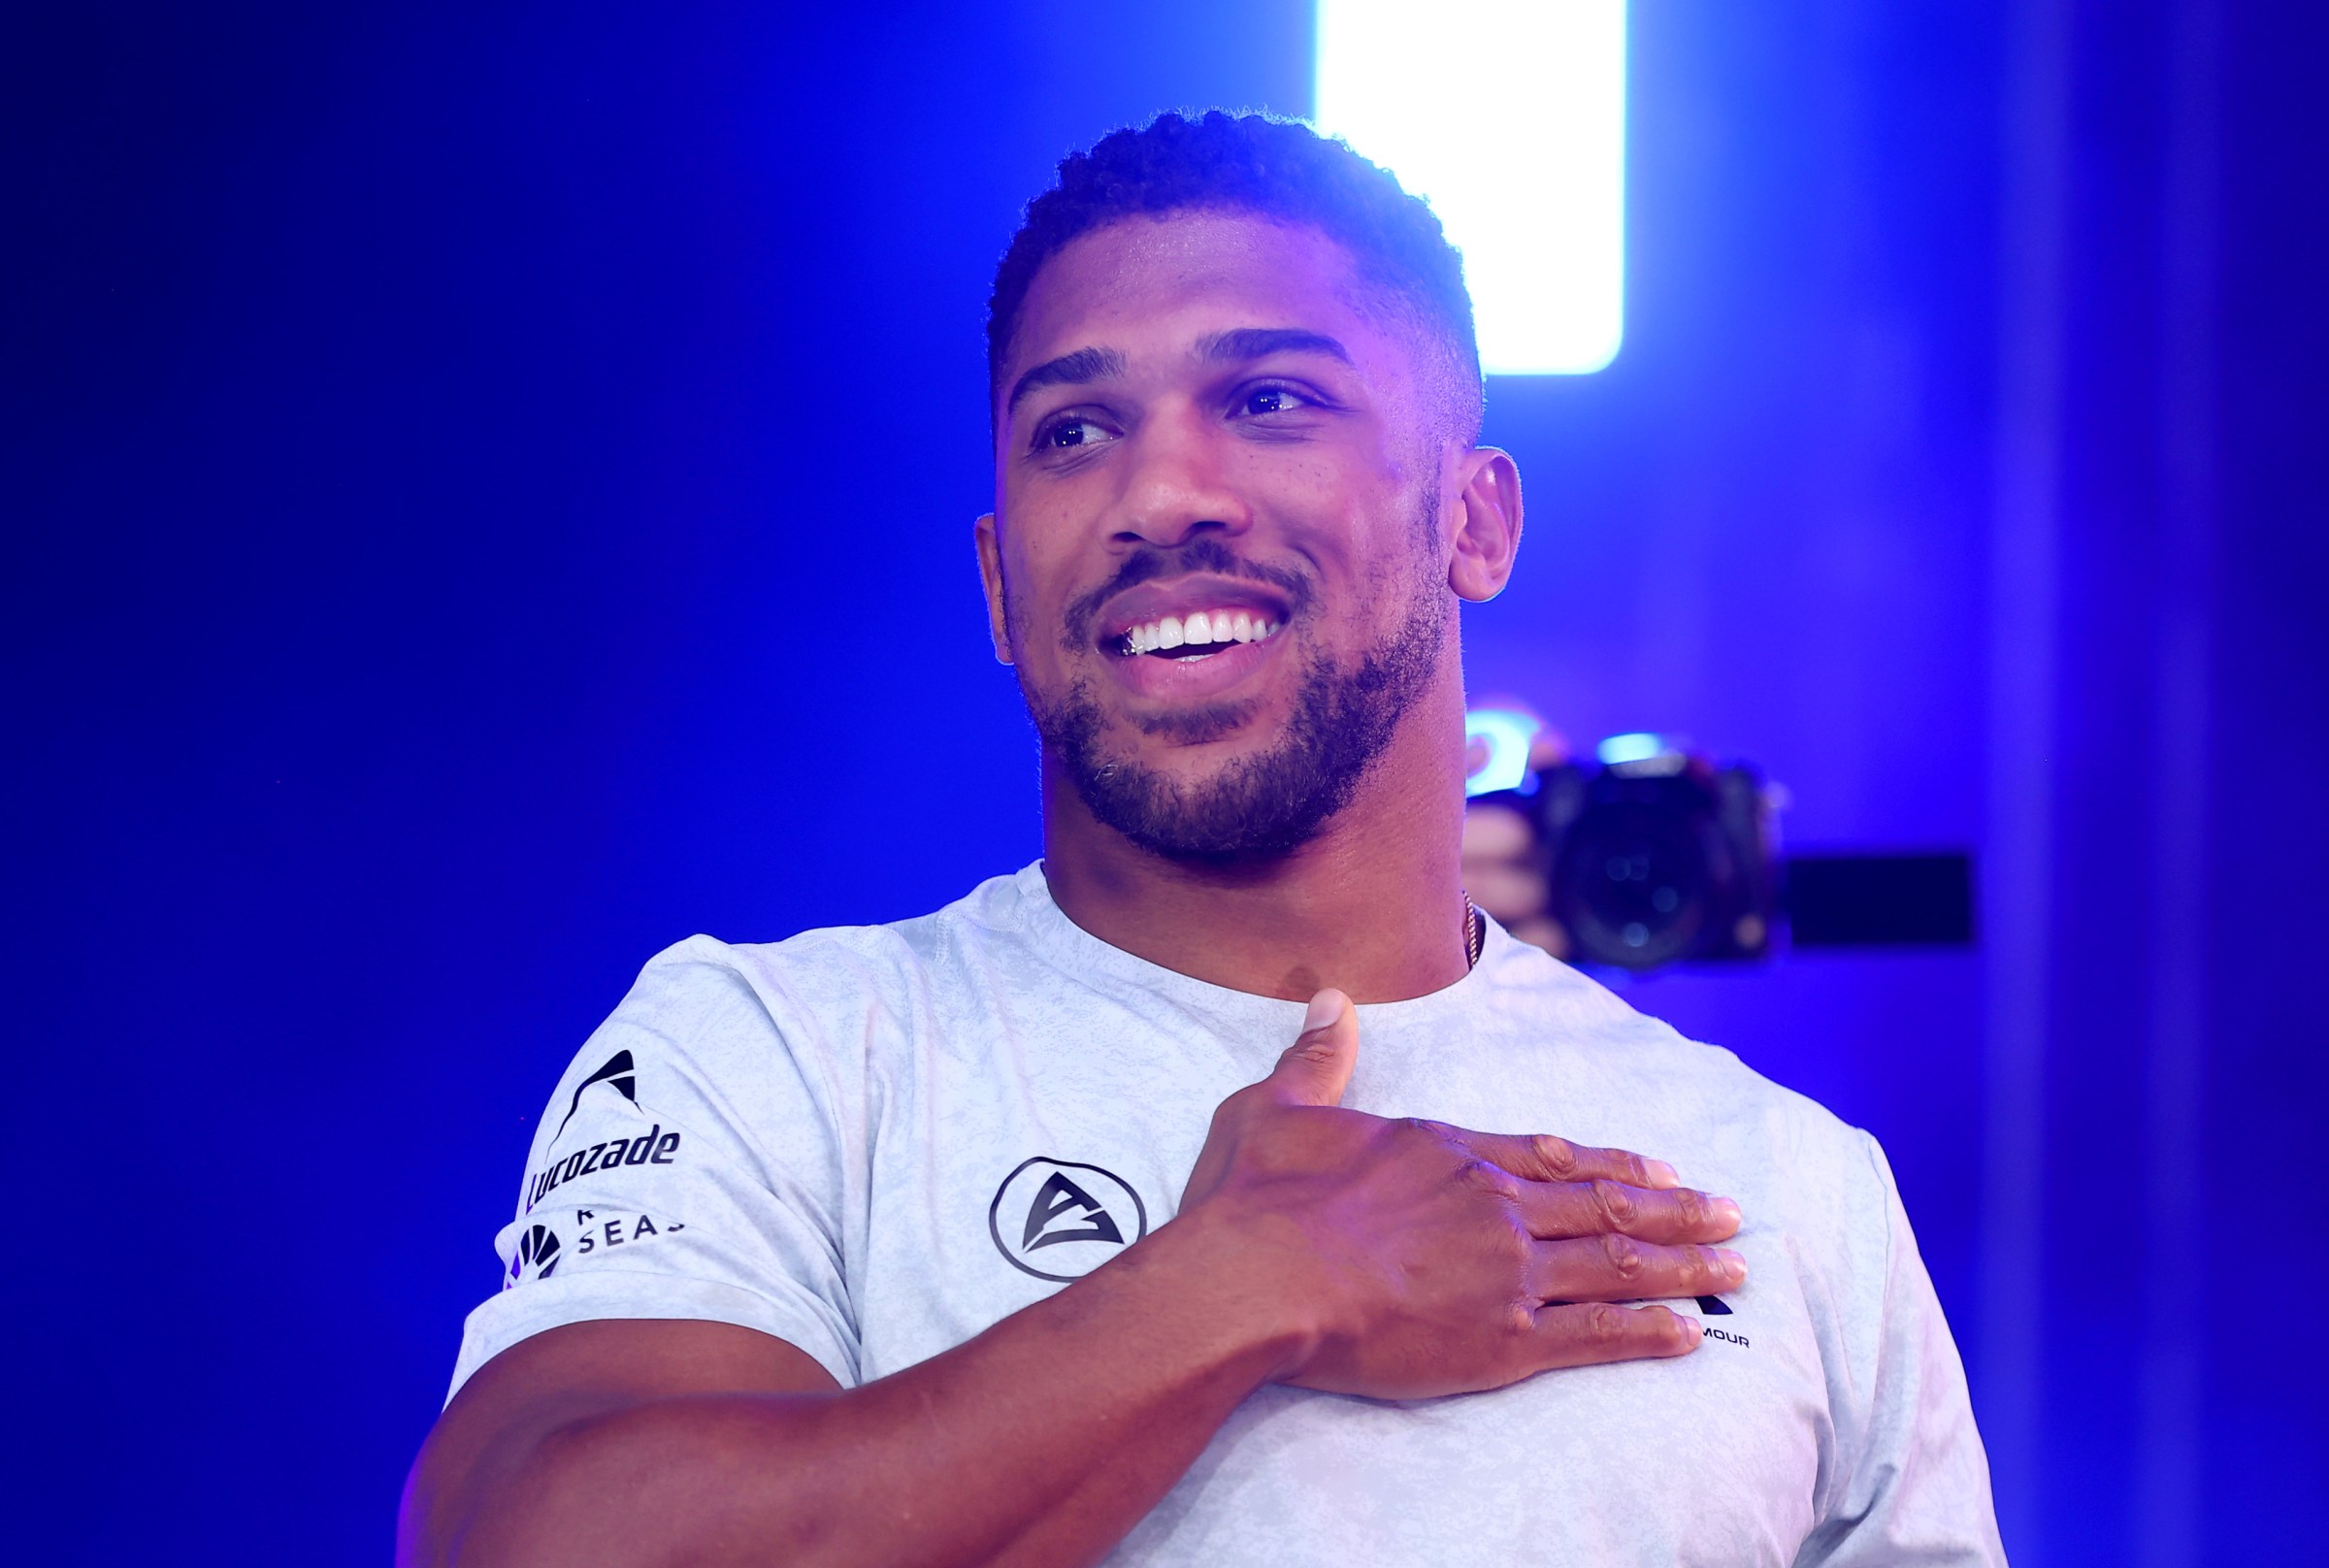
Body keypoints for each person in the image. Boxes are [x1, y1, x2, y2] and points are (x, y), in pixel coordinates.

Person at [397, 111, 2004, 1567]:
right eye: (1074, 432)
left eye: (1271, 398)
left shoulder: (1785, 1195)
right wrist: (1239, 1284)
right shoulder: (779, 1058)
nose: (1163, 491)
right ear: (996, 583)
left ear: (1475, 519)